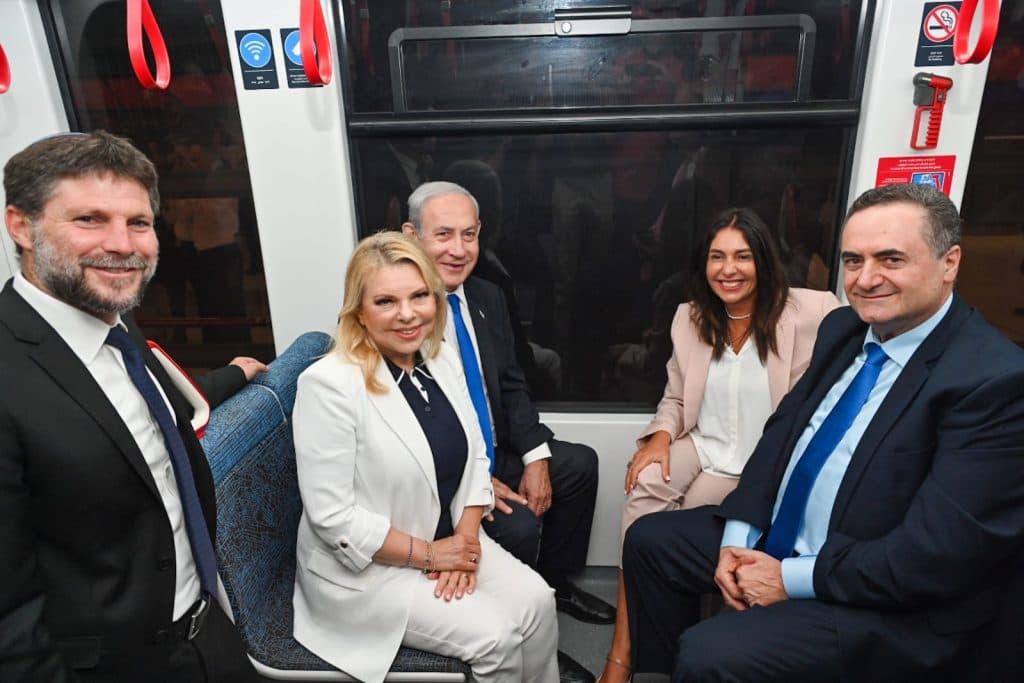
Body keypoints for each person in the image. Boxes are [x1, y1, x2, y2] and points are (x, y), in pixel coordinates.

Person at [622, 183, 1024, 681]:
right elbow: (781, 437)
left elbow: (937, 555)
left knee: (709, 654)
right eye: (854, 261)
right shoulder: (845, 331)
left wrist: (788, 577)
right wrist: (738, 537)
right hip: (784, 539)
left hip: (879, 587)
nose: (867, 279)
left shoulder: (993, 380)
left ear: (950, 262)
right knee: (649, 542)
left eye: (891, 259)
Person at [0, 131, 259, 681]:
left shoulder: (116, 325)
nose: (123, 245)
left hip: (206, 635)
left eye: (138, 223)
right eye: (89, 219)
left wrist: (234, 375)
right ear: (21, 226)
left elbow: (140, 417)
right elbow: (9, 620)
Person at [290, 232, 558, 683]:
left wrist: (466, 547)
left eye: (419, 296)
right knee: (496, 636)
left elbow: (476, 458)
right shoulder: (329, 385)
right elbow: (332, 517)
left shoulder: (440, 358)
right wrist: (432, 556)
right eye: (387, 302)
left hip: (447, 539)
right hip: (369, 572)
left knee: (537, 602)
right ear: (359, 311)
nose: (408, 314)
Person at [598, 208, 840, 683]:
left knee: (689, 519)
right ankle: (623, 651)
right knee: (645, 487)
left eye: (742, 257)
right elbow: (673, 396)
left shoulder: (814, 312)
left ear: (764, 260)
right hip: (705, 445)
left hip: (766, 464)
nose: (728, 269)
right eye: (717, 257)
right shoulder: (689, 318)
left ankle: (697, 641)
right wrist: (662, 435)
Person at [403, 181, 613, 683]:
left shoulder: (486, 296)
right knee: (519, 525)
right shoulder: (401, 313)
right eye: (444, 234)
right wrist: (471, 477)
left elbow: (512, 382)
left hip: (495, 448)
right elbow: (409, 429)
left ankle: (553, 588)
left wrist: (537, 455)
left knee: (578, 465)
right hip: (446, 465)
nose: (459, 249)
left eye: (469, 235)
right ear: (410, 236)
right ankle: (528, 628)